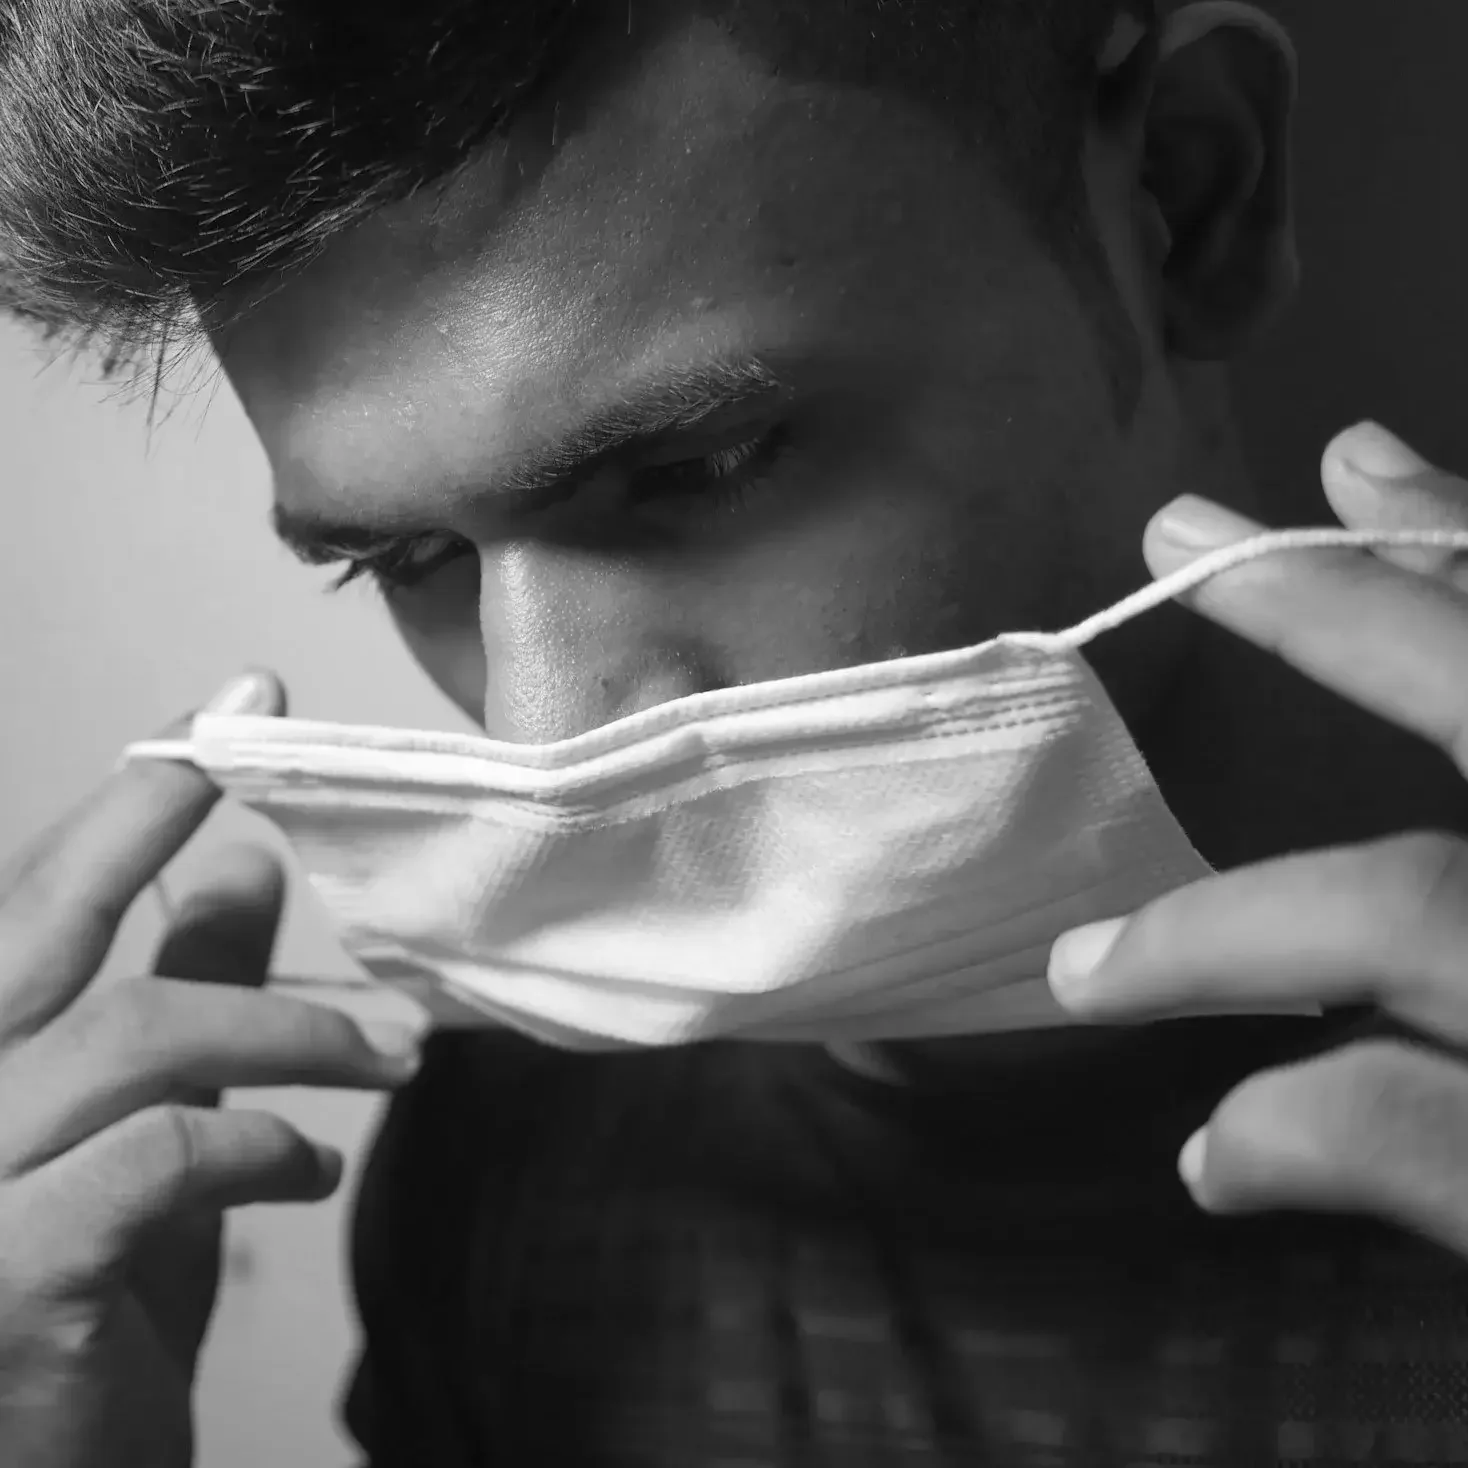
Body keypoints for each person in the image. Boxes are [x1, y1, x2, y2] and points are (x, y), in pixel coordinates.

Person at [2, 0, 1468, 1463]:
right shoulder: (512, 1160)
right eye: (408, 560)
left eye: (701, 466)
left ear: (1188, 200)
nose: (544, 753)